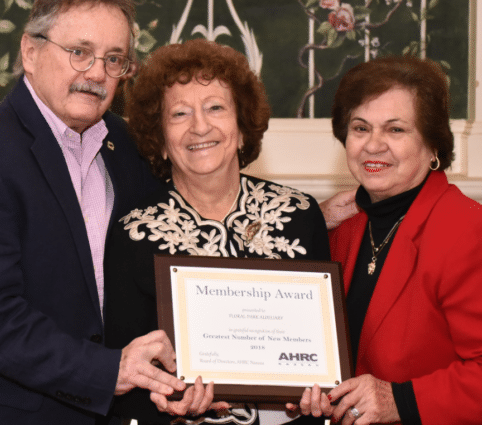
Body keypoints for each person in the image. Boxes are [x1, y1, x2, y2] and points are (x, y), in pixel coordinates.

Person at [0, 1, 201, 423]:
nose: (97, 73)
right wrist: (108, 370)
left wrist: (282, 220)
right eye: (79, 52)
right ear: (30, 52)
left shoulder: (124, 145)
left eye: (114, 59)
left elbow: (179, 231)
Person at [290, 56, 482, 424]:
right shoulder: (347, 229)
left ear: (432, 145)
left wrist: (399, 400)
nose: (373, 145)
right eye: (360, 128)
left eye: (396, 130)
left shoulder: (472, 234)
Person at [103, 38, 331, 425]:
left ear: (242, 128)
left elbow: (326, 356)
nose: (200, 126)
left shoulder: (300, 214)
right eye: (179, 114)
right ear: (159, 139)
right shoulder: (132, 233)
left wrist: (322, 393)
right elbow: (127, 374)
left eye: (215, 108)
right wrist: (173, 398)